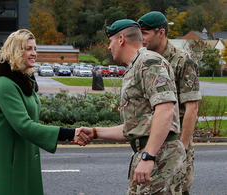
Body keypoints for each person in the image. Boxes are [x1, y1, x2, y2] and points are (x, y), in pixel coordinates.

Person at [76, 19, 187, 194]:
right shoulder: (137, 66)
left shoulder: (149, 62)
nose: (108, 47)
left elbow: (166, 111)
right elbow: (136, 129)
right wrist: (96, 132)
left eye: (110, 41)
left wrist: (148, 156)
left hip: (160, 159)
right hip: (151, 156)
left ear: (121, 39)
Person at [0, 29, 90, 195]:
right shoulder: (3, 83)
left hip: (16, 151)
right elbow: (24, 125)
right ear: (15, 51)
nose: (34, 53)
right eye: (28, 49)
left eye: (35, 49)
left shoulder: (22, 79)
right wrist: (69, 133)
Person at [138, 11, 202, 194]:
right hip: (152, 142)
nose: (142, 39)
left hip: (175, 141)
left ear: (161, 33)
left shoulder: (183, 61)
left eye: (145, 34)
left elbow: (192, 107)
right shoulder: (145, 60)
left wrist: (182, 149)